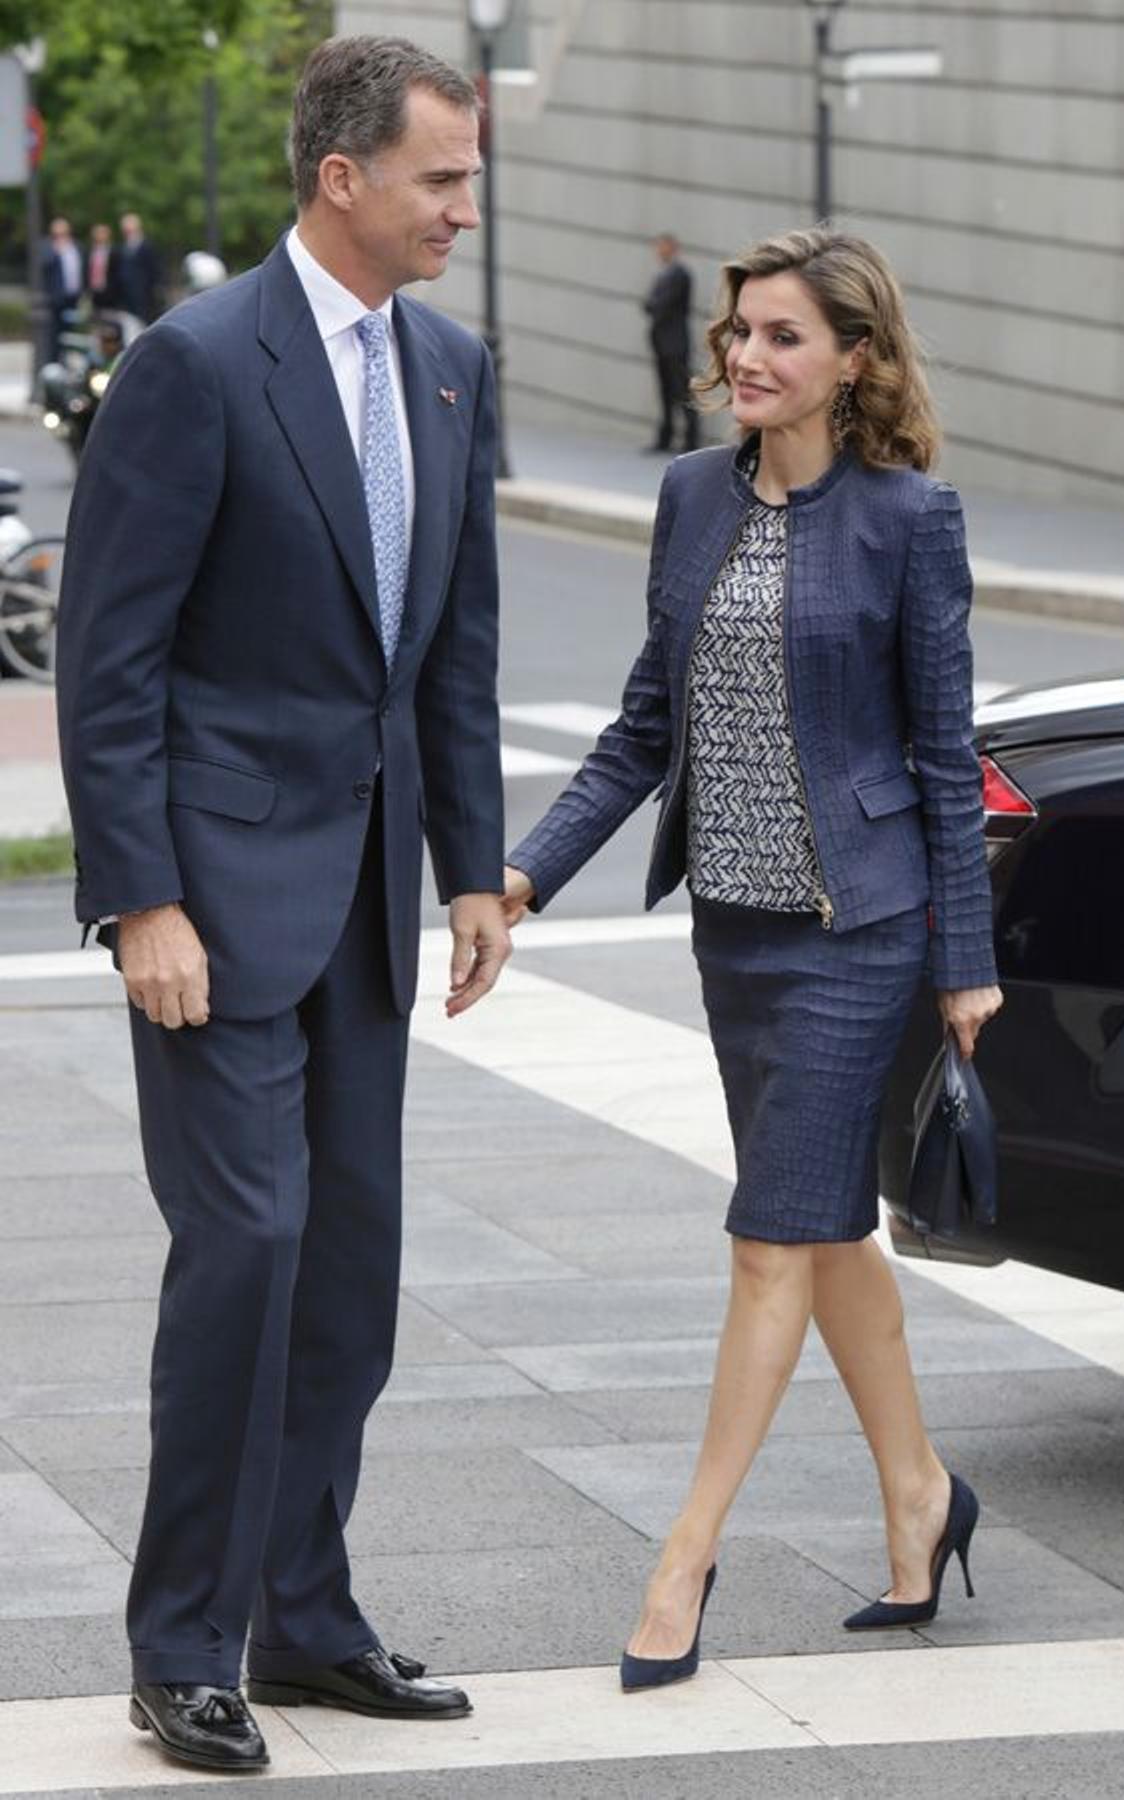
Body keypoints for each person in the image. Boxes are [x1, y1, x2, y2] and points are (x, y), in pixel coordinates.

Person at [57, 32, 510, 1772]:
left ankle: (305, 1623)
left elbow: (450, 656)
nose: (465, 206)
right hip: (220, 904)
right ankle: (183, 1646)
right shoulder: (194, 364)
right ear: (343, 179)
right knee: (243, 1249)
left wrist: (472, 868)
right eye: (442, 179)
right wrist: (139, 902)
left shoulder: (455, 367)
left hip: (373, 910)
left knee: (351, 1271)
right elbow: (111, 665)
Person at [505, 228, 1002, 1691]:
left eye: (782, 337)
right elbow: (643, 729)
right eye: (738, 331)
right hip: (737, 933)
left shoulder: (911, 520)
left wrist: (962, 960)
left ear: (853, 361)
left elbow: (945, 754)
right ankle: (922, 1497)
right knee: (825, 1228)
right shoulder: (688, 497)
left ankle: (684, 1556)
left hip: (859, 932)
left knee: (770, 1239)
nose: (744, 356)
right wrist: (526, 875)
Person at [643, 232, 698, 453]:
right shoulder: (663, 274)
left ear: (673, 248)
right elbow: (649, 305)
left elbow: (658, 305)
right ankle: (665, 438)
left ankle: (690, 440)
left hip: (675, 344)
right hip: (661, 343)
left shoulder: (680, 274)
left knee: (682, 392)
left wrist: (653, 304)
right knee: (665, 392)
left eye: (663, 247)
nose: (659, 251)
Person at [41, 216, 83, 360]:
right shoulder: (48, 246)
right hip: (57, 300)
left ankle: (68, 362)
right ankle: (54, 363)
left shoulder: (76, 246)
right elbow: (45, 266)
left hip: (74, 298)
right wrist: (57, 251)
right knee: (55, 336)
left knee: (72, 334)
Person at [113, 211, 163, 323]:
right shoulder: (121, 248)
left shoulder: (148, 247)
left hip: (145, 299)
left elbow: (155, 272)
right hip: (126, 300)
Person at [85, 222, 118, 312]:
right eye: (97, 233)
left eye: (103, 232)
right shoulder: (89, 251)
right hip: (94, 292)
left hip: (111, 293)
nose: (100, 235)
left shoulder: (115, 252)